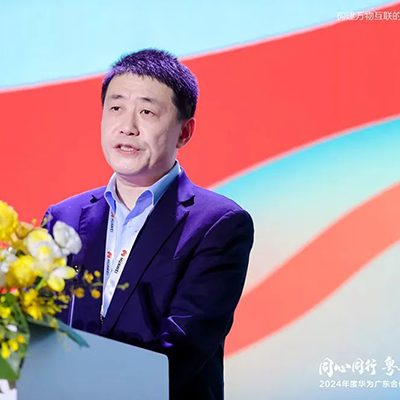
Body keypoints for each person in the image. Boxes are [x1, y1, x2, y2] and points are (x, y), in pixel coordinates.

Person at [43, 48, 254, 400]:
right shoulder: (63, 217)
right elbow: (38, 328)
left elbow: (182, 348)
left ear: (184, 132)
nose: (127, 126)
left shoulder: (218, 224)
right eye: (116, 108)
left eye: (147, 112)